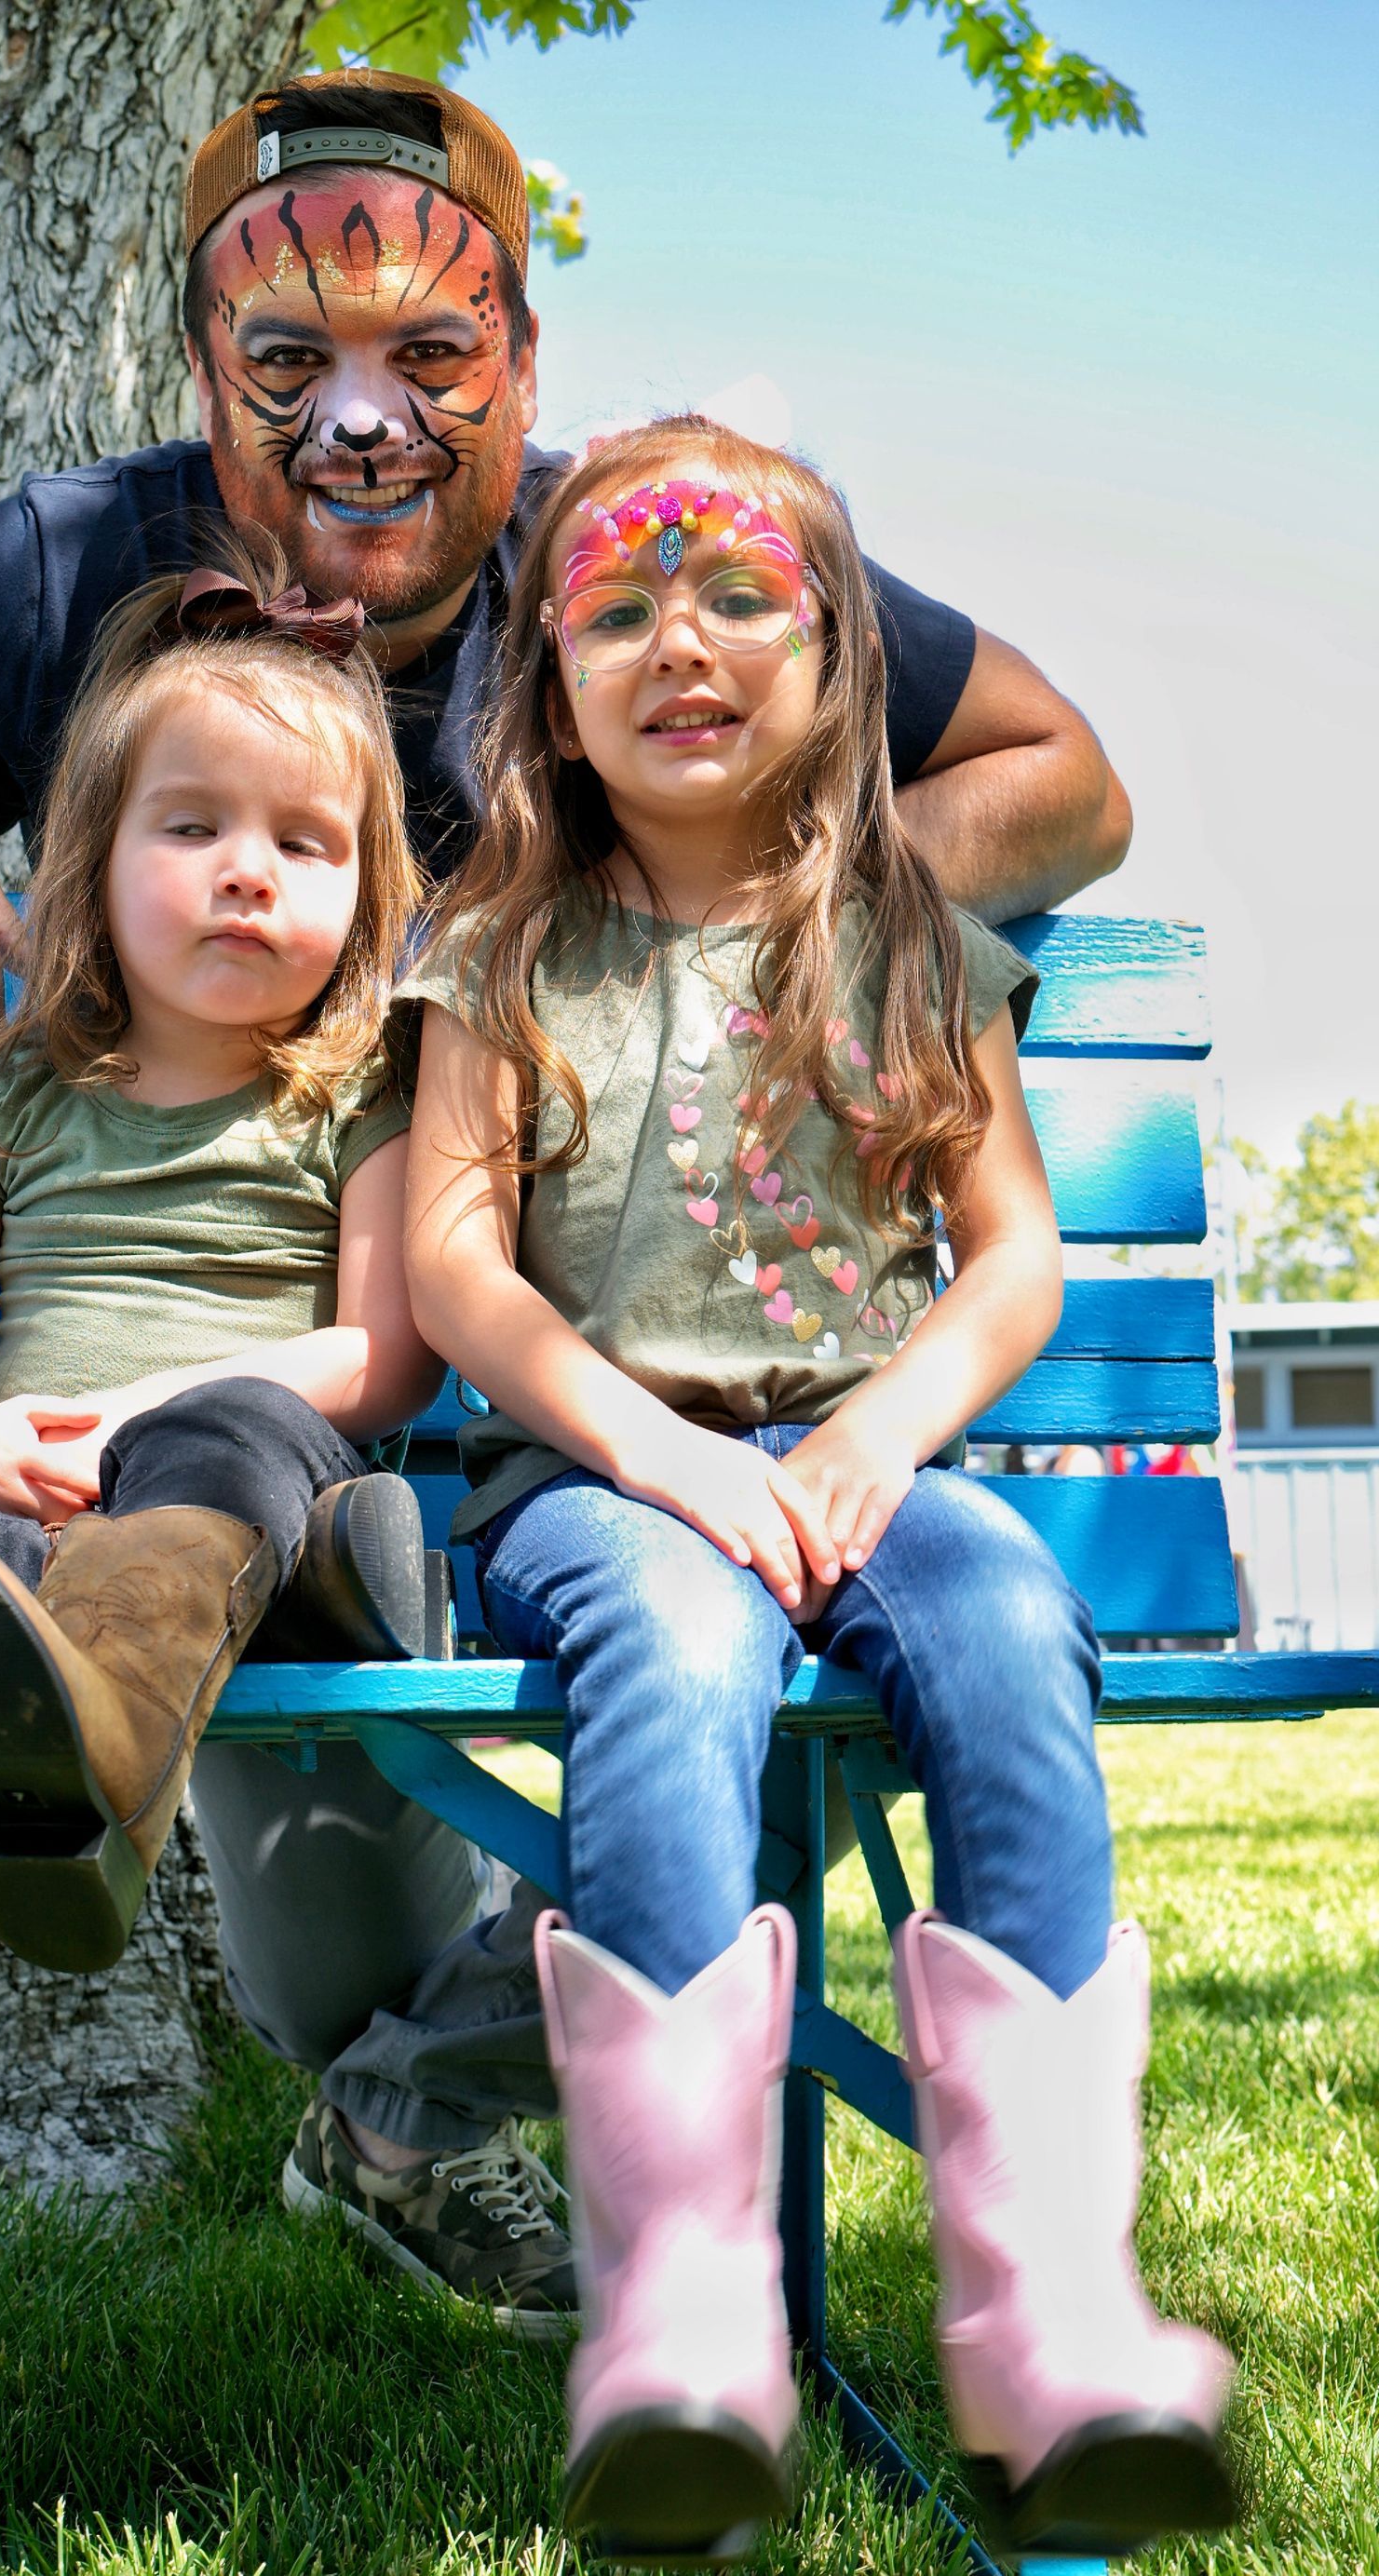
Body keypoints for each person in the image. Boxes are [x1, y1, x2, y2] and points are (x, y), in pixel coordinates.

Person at [0, 68, 1129, 2322]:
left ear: (523, 363)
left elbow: (1065, 776)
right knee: (351, 1917)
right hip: (265, 1443)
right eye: (288, 364)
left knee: (771, 1632)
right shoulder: (63, 568)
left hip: (546, 1418)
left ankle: (433, 2109)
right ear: (198, 370)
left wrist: (745, 916)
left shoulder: (642, 568)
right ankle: (395, 2076)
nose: (361, 423)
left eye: (430, 360)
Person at [399, 417, 1236, 2561]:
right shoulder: (501, 948)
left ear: (842, 653)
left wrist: (879, 1431)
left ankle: (1047, 2308)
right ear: (550, 694)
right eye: (614, 611)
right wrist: (659, 1450)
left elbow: (1014, 1250)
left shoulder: (905, 939)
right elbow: (454, 1269)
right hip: (604, 1476)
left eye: (737, 595)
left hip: (865, 1458)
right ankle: (684, 2319)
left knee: (1003, 1619)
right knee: (674, 1654)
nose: (677, 642)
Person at [0, 566, 571, 2326]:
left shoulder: (356, 1094)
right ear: (89, 870)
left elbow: (384, 1352)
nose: (251, 871)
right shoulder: (25, 1095)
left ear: (366, 903)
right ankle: (54, 1695)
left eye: (307, 844)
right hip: (36, 1533)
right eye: (193, 828)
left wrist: (144, 1412)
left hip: (240, 1491)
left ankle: (96, 1749)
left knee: (255, 1431)